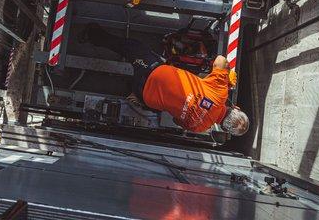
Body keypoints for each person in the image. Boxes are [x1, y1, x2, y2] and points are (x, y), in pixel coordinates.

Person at [80, 23, 249, 136]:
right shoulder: (201, 128)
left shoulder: (220, 93)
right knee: (149, 102)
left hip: (153, 72)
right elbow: (176, 120)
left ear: (235, 107)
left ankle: (92, 34)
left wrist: (227, 75)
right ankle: (130, 91)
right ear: (224, 128)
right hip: (145, 95)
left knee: (133, 47)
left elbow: (220, 59)